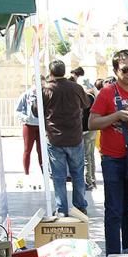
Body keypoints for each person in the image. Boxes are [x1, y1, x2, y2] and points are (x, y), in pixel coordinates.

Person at [89, 49, 128, 255]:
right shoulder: (107, 93)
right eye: (125, 69)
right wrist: (116, 115)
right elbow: (92, 123)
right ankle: (113, 251)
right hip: (112, 158)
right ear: (116, 71)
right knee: (114, 208)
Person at [42, 60, 89, 216]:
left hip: (55, 138)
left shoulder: (47, 89)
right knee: (78, 174)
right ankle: (80, 206)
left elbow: (36, 110)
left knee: (58, 176)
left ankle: (62, 209)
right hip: (75, 136)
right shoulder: (76, 88)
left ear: (51, 72)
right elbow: (86, 103)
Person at [71, 66, 98, 190]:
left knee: (86, 157)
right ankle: (91, 179)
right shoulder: (93, 97)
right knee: (90, 155)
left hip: (84, 129)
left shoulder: (85, 98)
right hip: (91, 129)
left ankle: (88, 181)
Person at [17, 87, 42, 177]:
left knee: (41, 150)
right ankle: (26, 172)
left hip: (41, 127)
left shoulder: (44, 94)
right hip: (29, 126)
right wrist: (25, 118)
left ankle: (44, 172)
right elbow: (18, 110)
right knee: (27, 149)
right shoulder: (26, 95)